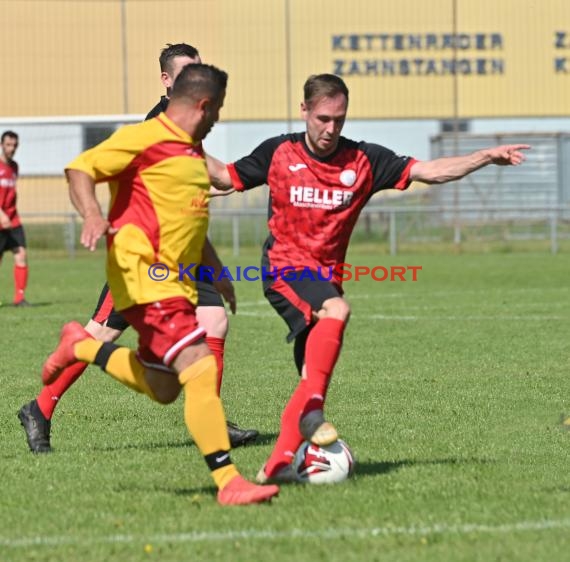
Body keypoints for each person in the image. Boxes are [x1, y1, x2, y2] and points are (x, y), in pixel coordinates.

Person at [206, 73, 530, 483]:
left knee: (310, 378)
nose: (331, 128)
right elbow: (224, 177)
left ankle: (278, 466)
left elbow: (430, 171)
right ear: (304, 110)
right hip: (285, 268)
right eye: (323, 118)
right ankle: (308, 423)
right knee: (337, 310)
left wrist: (484, 156)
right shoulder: (278, 153)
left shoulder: (364, 160)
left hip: (324, 278)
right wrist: (175, 146)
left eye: (339, 119)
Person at [39, 63, 279, 505]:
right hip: (143, 275)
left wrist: (219, 273)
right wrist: (93, 215)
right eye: (218, 109)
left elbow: (188, 222)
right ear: (203, 104)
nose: (218, 118)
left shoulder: (191, 154)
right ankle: (229, 483)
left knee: (165, 388)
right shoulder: (144, 137)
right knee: (201, 363)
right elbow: (80, 170)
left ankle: (80, 345)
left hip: (178, 283)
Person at [0, 130, 30, 306]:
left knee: (21, 254)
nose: (11, 148)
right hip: (1, 218)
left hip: (13, 219)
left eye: (14, 145)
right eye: (8, 145)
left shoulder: (14, 167)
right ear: (2, 145)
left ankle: (20, 298)